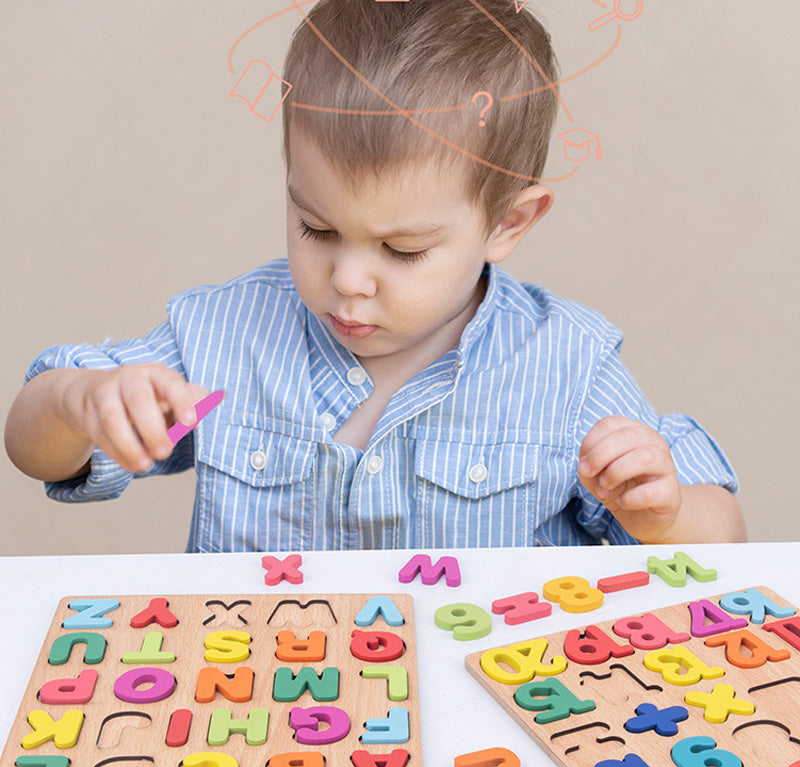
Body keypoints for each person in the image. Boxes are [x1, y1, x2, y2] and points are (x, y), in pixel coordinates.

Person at [4, 0, 746, 552]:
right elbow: (32, 448)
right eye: (317, 229)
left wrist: (667, 513)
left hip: (488, 707)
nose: (349, 281)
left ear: (508, 223)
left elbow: (726, 542)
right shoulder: (225, 334)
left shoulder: (568, 365)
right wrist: (77, 402)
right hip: (265, 699)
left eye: (403, 249)